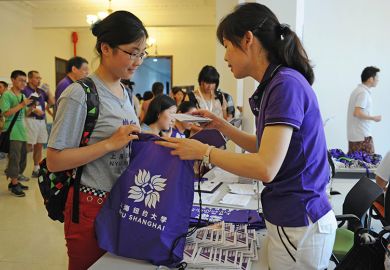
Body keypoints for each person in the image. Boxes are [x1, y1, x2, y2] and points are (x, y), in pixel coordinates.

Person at [157, 3, 336, 269]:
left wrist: (204, 152)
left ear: (248, 39)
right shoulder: (276, 83)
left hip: (299, 221)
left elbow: (265, 167)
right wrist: (221, 126)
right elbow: (264, 146)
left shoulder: (284, 85)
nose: (226, 56)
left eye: (227, 45)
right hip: (294, 219)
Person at [46, 11, 146, 269]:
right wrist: (109, 144)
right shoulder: (79, 94)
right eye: (133, 52)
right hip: (90, 204)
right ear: (106, 48)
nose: (138, 61)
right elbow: (54, 161)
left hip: (123, 200)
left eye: (142, 53)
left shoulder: (125, 93)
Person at [0, 70, 32, 196]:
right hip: (12, 132)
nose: (23, 83)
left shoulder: (23, 96)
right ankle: (13, 184)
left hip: (22, 131)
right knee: (15, 159)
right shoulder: (7, 95)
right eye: (20, 80)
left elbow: (24, 114)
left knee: (23, 159)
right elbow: (6, 113)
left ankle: (16, 181)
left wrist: (31, 109)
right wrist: (22, 104)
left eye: (25, 81)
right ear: (13, 80)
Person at [22, 70, 55, 177]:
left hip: (41, 121)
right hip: (30, 120)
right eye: (37, 78)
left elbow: (51, 102)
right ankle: (17, 168)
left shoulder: (41, 90)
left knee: (39, 145)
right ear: (30, 79)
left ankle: (36, 168)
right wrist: (35, 110)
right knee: (27, 146)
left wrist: (48, 91)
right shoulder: (25, 90)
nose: (39, 80)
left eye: (40, 78)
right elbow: (23, 106)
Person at [347, 66, 381, 154]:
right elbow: (357, 113)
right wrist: (373, 118)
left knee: (356, 165)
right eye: (377, 78)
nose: (378, 80)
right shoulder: (363, 93)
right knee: (370, 165)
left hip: (355, 137)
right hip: (362, 137)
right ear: (370, 79)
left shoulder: (357, 91)